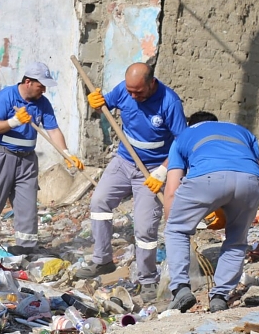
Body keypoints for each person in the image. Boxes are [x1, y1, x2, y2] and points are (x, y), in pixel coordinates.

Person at [74, 62, 187, 303]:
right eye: (130, 91)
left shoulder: (170, 102)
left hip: (152, 170)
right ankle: (102, 260)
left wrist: (164, 171)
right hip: (124, 160)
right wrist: (96, 103)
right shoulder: (124, 90)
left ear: (152, 83)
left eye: (139, 92)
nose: (133, 96)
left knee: (145, 228)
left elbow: (182, 142)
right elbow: (104, 107)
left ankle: (147, 279)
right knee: (99, 203)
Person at [0, 62, 84, 255]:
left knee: (27, 206)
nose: (44, 90)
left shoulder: (42, 103)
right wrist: (14, 121)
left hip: (27, 161)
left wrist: (67, 153)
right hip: (1, 157)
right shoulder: (6, 97)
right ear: (28, 82)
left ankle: (26, 249)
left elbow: (53, 130)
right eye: (41, 86)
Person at [165, 111, 259, 313]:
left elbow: (172, 191)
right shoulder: (242, 131)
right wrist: (223, 204)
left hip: (207, 178)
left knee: (176, 230)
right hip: (251, 180)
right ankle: (220, 297)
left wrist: (173, 223)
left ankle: (181, 289)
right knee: (237, 239)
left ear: (190, 124)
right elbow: (242, 168)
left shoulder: (184, 135)